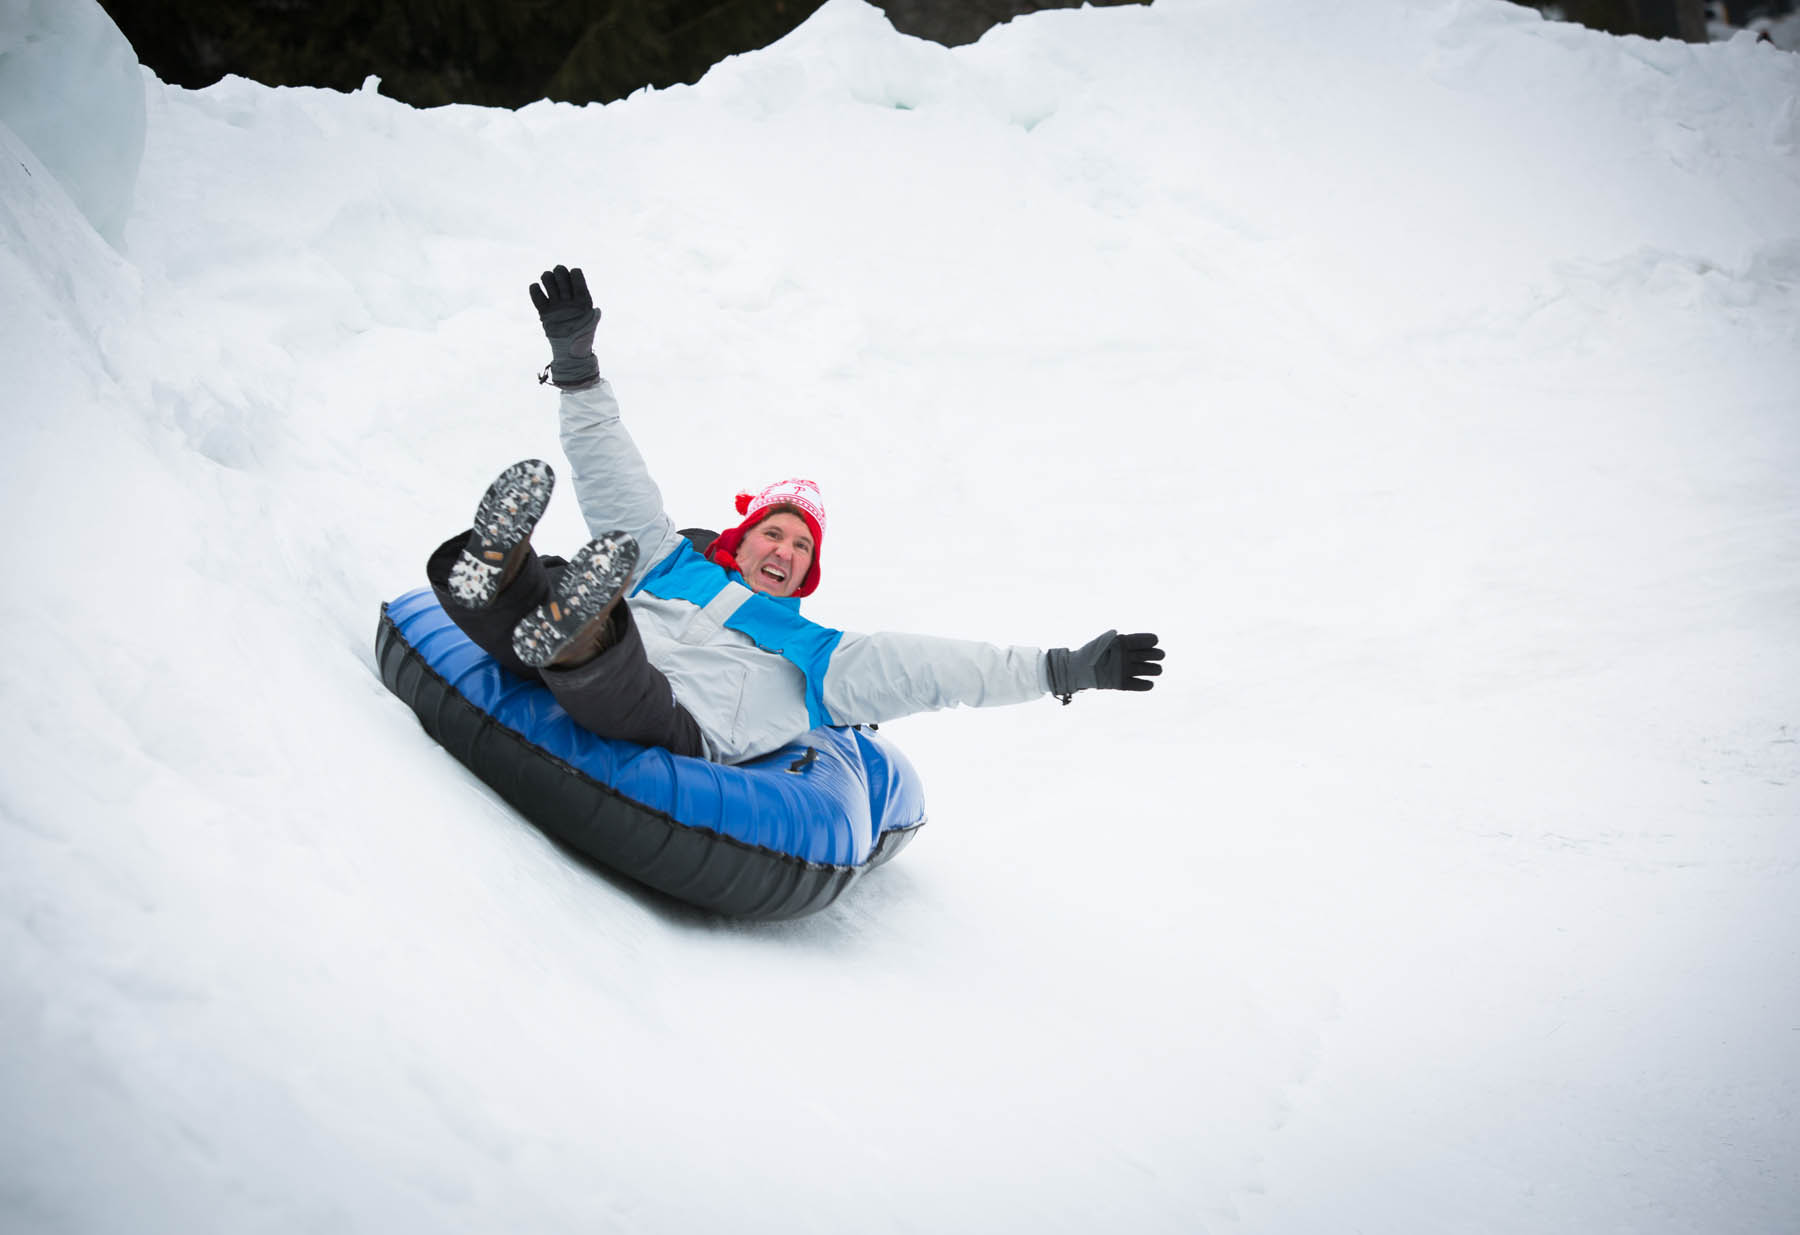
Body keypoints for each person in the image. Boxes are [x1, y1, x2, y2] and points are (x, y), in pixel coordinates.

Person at [423, 265, 1163, 765]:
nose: (783, 550)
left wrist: (1061, 668)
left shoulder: (824, 653)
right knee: (575, 575)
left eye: (800, 547)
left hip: (673, 716)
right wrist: (578, 368)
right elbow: (612, 471)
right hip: (614, 619)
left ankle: (573, 623)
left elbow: (937, 669)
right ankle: (501, 570)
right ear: (739, 545)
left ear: (809, 573)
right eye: (773, 533)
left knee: (613, 652)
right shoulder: (666, 561)